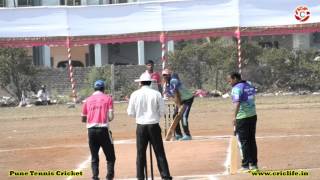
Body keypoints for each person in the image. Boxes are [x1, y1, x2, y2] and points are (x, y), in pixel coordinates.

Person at [127, 73, 172, 180]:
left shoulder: (134, 94)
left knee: (140, 153)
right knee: (159, 152)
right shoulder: (156, 94)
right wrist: (154, 116)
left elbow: (130, 113)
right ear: (150, 82)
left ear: (140, 83)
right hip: (153, 125)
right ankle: (165, 176)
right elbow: (162, 111)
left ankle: (140, 177)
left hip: (141, 126)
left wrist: (139, 115)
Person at [81, 80, 116, 180]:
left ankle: (95, 176)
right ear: (103, 88)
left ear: (94, 88)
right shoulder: (108, 98)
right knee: (110, 156)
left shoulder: (87, 100)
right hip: (103, 129)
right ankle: (109, 176)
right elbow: (110, 117)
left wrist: (92, 118)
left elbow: (83, 118)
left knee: (94, 156)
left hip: (91, 130)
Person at [227, 72, 258, 171]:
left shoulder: (236, 88)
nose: (229, 83)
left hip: (242, 117)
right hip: (252, 115)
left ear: (235, 78)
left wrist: (234, 117)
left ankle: (245, 165)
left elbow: (237, 103)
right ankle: (254, 165)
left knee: (244, 142)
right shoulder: (249, 85)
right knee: (251, 140)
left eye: (230, 80)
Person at [163, 71, 194, 141]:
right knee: (175, 115)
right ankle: (178, 134)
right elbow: (174, 97)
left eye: (166, 75)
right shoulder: (167, 85)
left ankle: (187, 135)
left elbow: (176, 93)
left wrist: (179, 106)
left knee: (184, 116)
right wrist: (179, 105)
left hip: (188, 99)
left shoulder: (173, 81)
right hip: (181, 100)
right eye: (163, 75)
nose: (164, 76)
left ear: (169, 75)